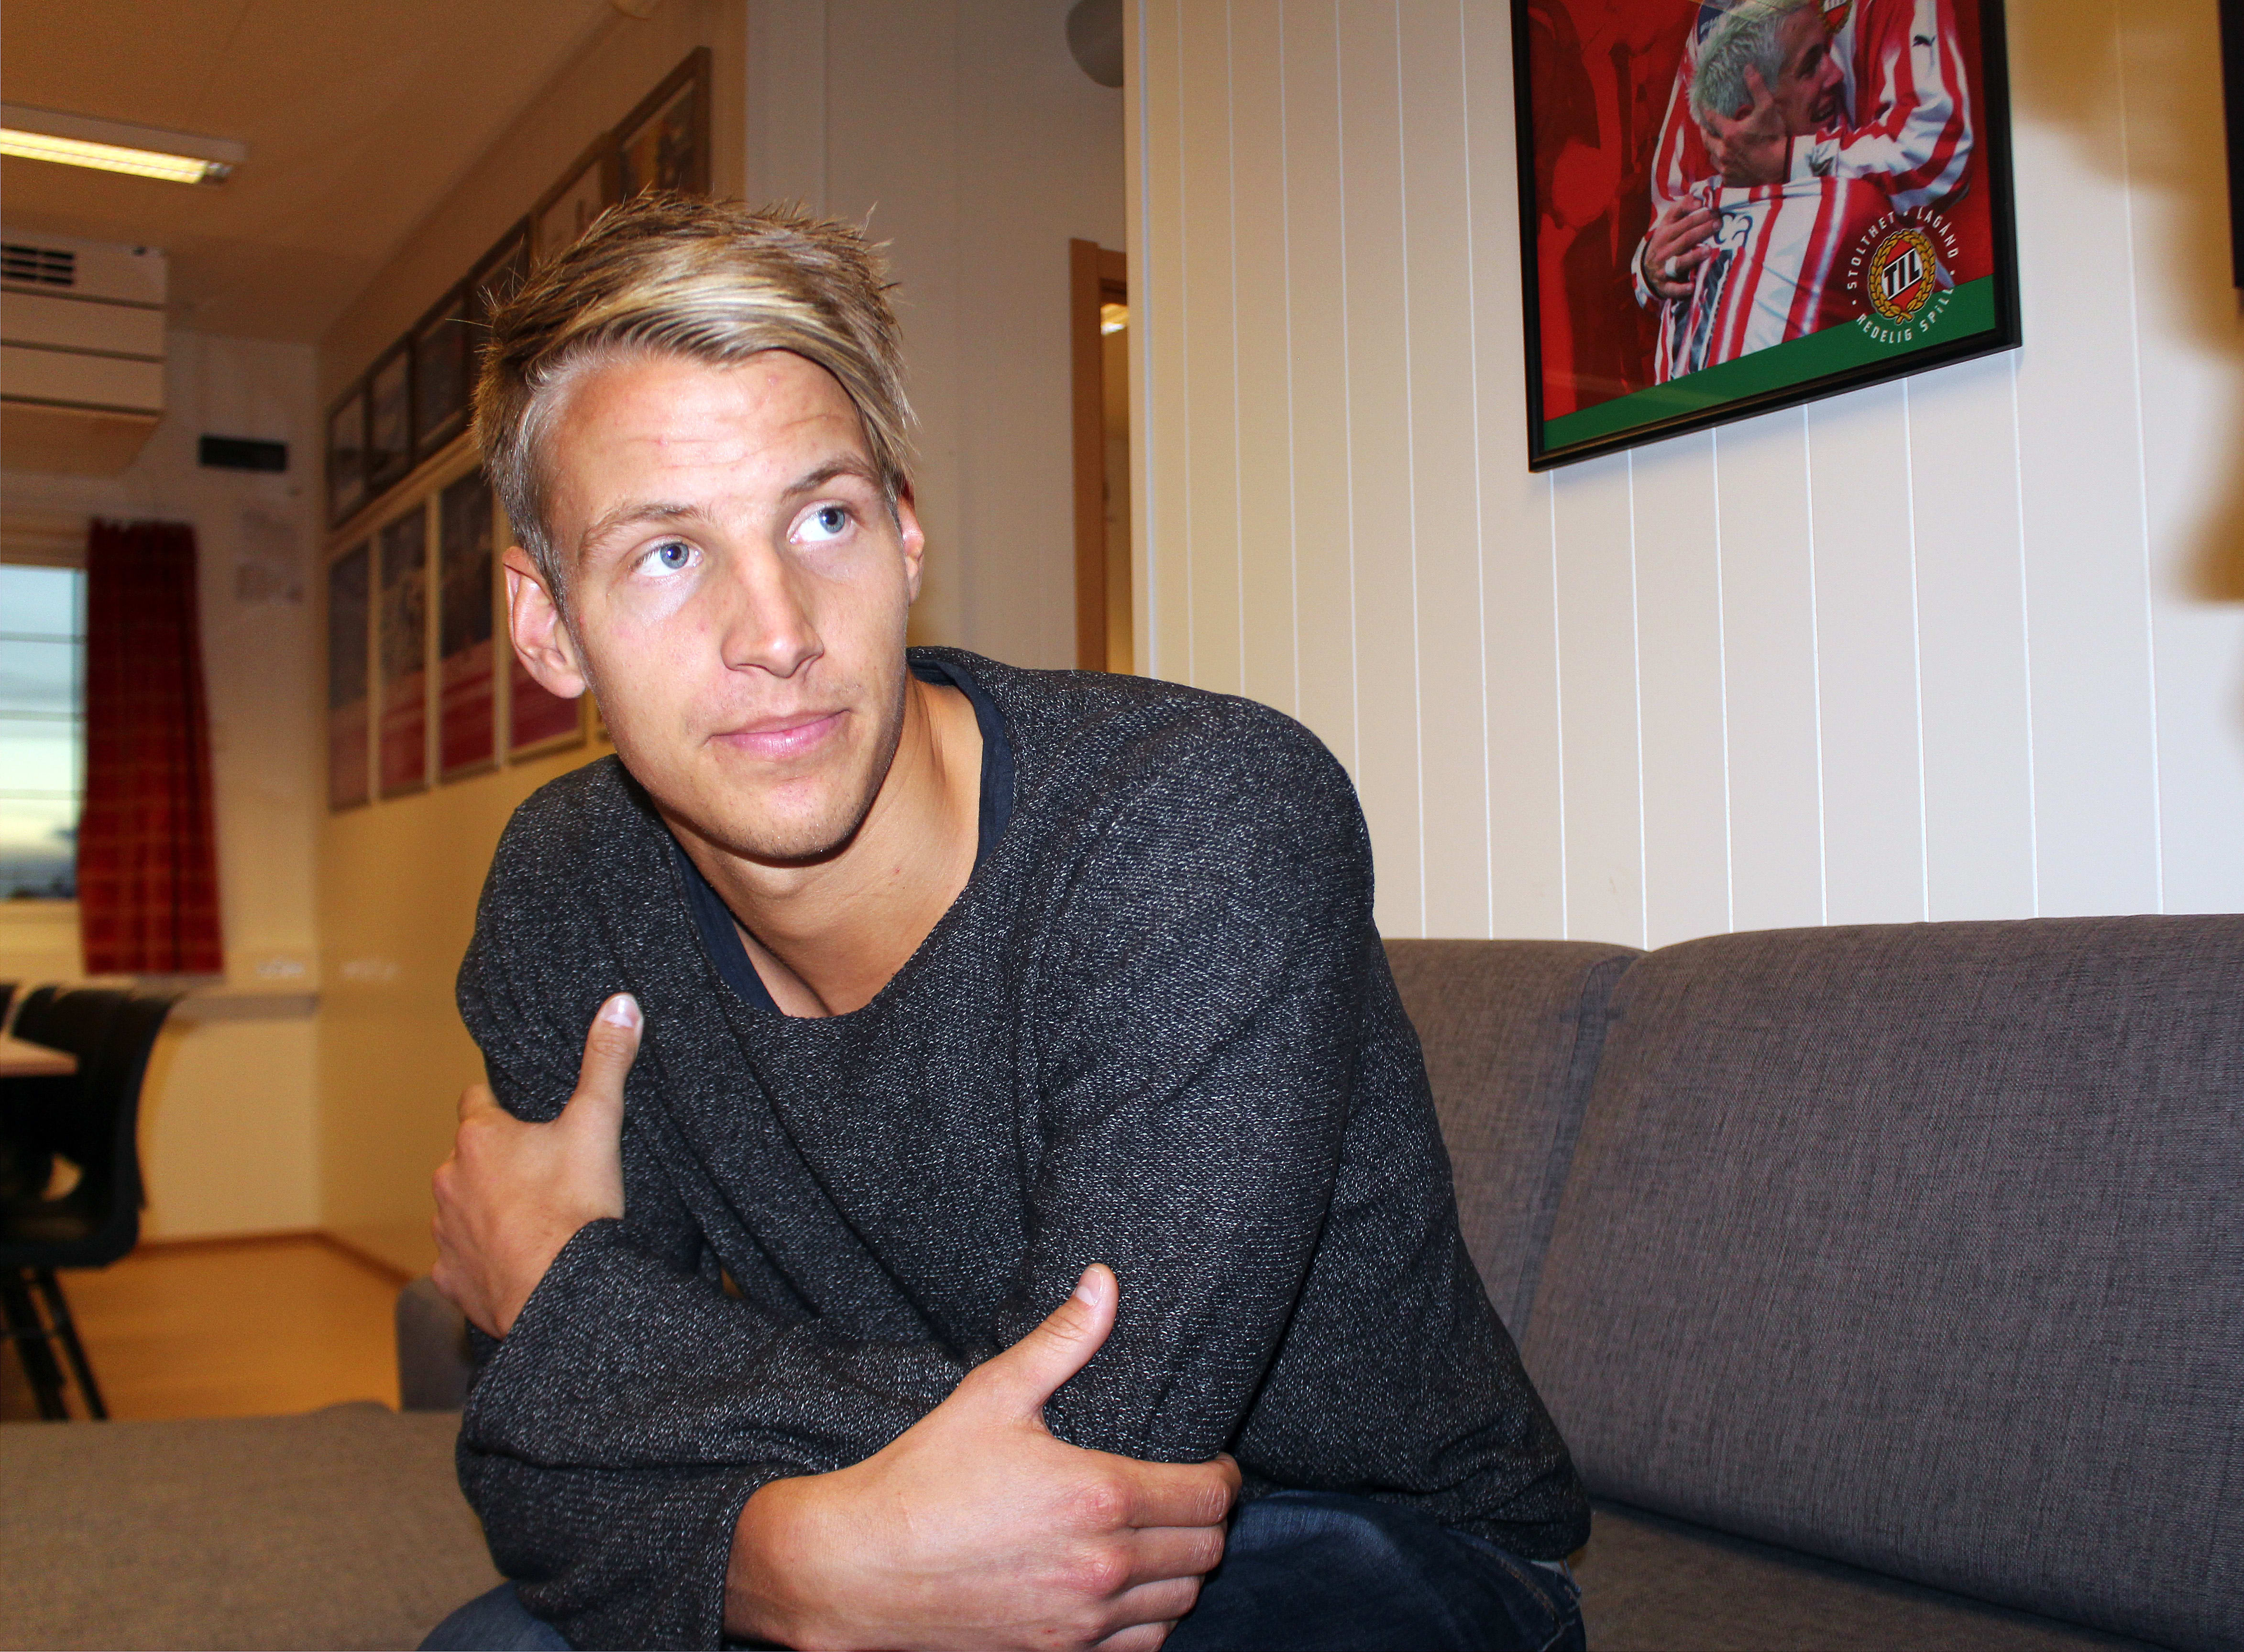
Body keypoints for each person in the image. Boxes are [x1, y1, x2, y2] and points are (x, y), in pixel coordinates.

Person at [418, 194, 1590, 1652]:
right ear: (545, 624)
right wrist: (787, 1561)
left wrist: (560, 1295)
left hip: (1370, 1543)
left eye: (824, 517)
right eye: (666, 553)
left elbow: (1091, 1457)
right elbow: (531, 1459)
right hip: (899, 1505)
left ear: (906, 533)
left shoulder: (1198, 817)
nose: (777, 631)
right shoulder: (566, 888)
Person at [1635, 0, 1974, 354]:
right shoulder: (1714, 18)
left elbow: (1938, 151)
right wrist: (1650, 267)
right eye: (1813, 64)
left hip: (1896, 319)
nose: (1834, 74)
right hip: (1755, 341)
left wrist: (1790, 160)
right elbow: (1672, 215)